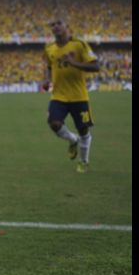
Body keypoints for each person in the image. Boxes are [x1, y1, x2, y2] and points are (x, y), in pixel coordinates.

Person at [42, 18, 100, 173]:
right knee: (54, 123)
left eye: (58, 23)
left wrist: (74, 63)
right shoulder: (49, 49)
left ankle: (83, 161)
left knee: (84, 131)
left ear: (67, 26)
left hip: (79, 96)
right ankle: (72, 140)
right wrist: (47, 80)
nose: (55, 26)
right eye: (52, 25)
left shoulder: (79, 45)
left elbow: (96, 66)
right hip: (59, 96)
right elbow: (48, 66)